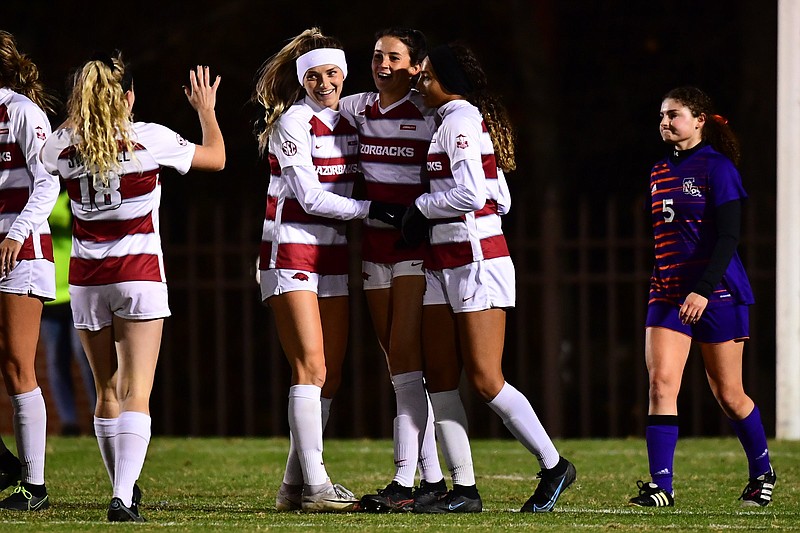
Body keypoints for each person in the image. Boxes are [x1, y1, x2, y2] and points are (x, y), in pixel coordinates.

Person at [40, 51, 225, 522]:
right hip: (138, 275)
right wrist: (206, 112)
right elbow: (217, 159)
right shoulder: (151, 138)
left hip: (84, 280)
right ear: (128, 97)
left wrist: (82, 115)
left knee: (106, 391)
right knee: (136, 391)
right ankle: (122, 497)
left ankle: (124, 488)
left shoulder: (62, 145)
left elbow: (47, 157)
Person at [399, 42, 576, 513]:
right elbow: (500, 196)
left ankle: (554, 465)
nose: (420, 79)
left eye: (428, 74)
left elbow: (472, 192)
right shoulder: (448, 121)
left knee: (484, 379)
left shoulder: (459, 118)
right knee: (438, 377)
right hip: (444, 262)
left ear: (448, 81)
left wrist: (421, 208)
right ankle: (464, 490)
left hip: (477, 263)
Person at [252, 27, 394, 513]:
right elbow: (309, 197)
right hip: (288, 250)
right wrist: (370, 211)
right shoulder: (293, 122)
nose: (324, 82)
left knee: (327, 377)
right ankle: (315, 485)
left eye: (332, 73)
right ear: (302, 81)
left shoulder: (351, 116)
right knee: (309, 367)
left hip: (330, 253)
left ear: (344, 74)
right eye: (313, 75)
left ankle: (294, 487)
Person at [629, 86, 775, 508]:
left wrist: (703, 290)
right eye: (662, 115)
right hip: (668, 292)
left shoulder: (718, 168)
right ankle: (662, 487)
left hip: (718, 292)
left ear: (699, 121)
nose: (666, 122)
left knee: (729, 394)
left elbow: (729, 236)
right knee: (660, 384)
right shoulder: (658, 171)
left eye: (674, 114)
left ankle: (762, 471)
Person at [338, 28, 446, 513]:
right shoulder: (356, 107)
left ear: (416, 66)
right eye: (378, 55)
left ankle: (404, 482)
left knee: (405, 359)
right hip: (373, 248)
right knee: (399, 368)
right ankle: (432, 478)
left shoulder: (431, 113)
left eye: (394, 57)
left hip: (412, 248)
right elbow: (313, 106)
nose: (383, 64)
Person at [0, 30, 59, 512]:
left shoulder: (20, 110)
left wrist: (16, 233)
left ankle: (34, 486)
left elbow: (48, 181)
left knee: (19, 364)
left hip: (21, 249)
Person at [40, 190, 97, 437]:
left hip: (77, 289)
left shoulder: (76, 194)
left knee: (84, 356)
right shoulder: (41, 195)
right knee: (55, 360)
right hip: (50, 291)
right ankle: (68, 421)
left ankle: (100, 415)